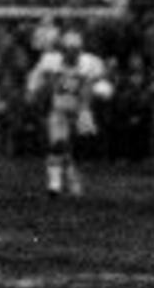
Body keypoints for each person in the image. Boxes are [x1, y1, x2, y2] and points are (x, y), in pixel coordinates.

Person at [25, 30, 105, 198]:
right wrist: (32, 91)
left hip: (81, 111)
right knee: (58, 144)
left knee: (75, 149)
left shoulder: (89, 63)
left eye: (75, 50)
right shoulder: (51, 62)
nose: (72, 54)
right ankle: (55, 184)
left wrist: (95, 98)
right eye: (68, 50)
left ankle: (71, 176)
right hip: (59, 109)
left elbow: (97, 86)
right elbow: (35, 76)